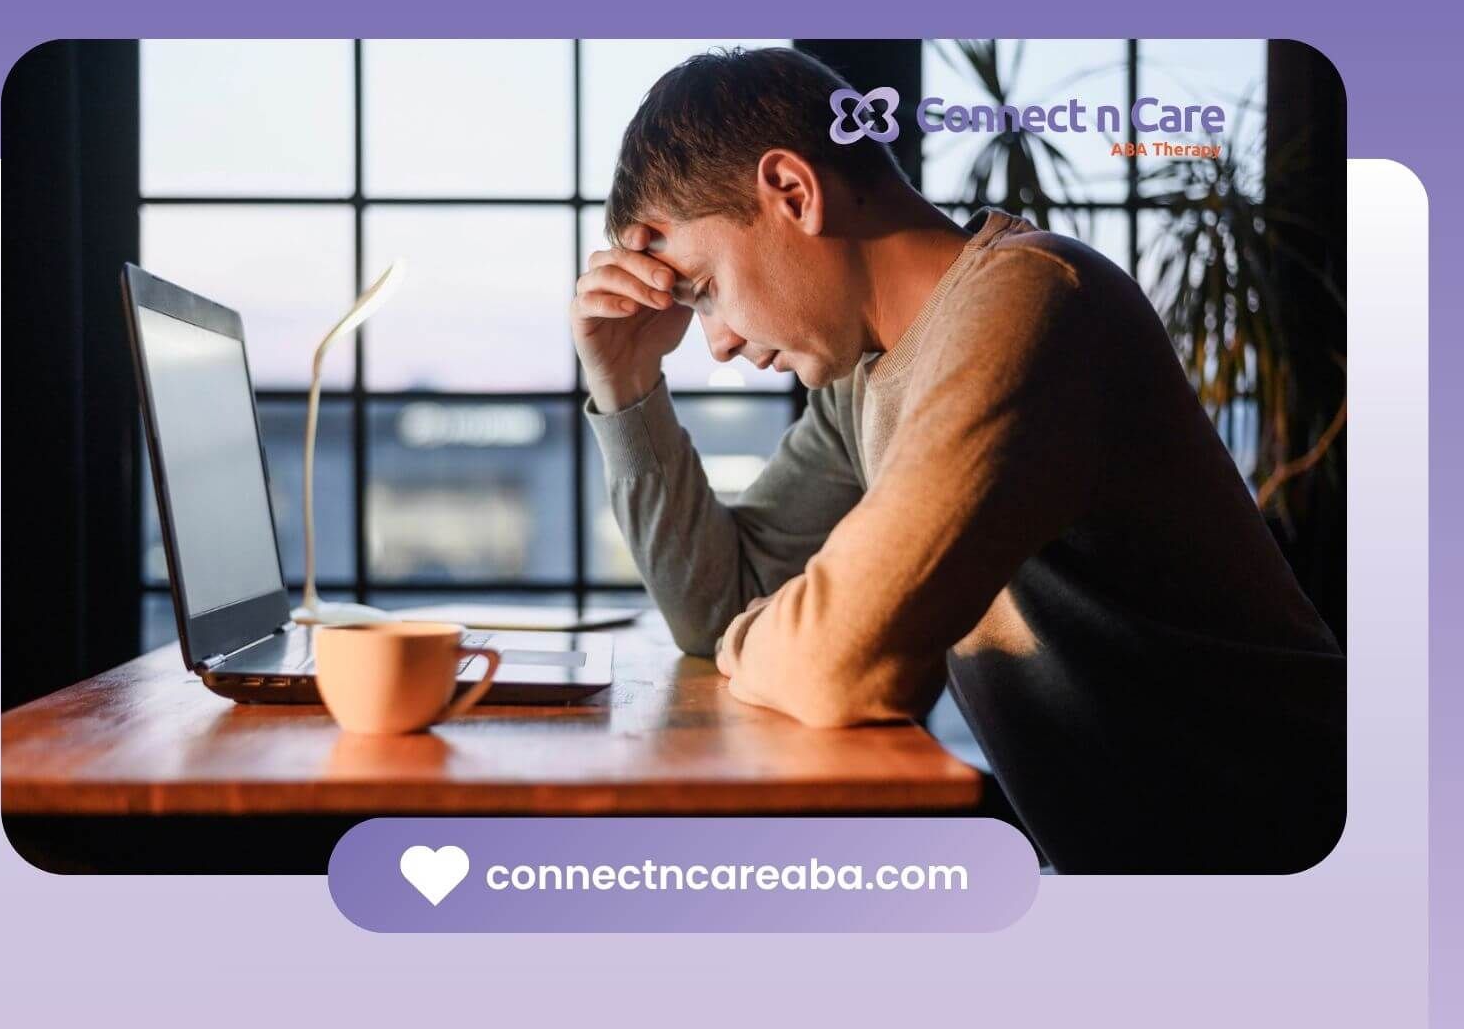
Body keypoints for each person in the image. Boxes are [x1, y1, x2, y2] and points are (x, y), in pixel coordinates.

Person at [570, 47, 1343, 873]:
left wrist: (767, 632)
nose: (718, 342)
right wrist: (626, 385)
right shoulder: (862, 380)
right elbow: (718, 604)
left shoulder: (1033, 303)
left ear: (793, 192)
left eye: (707, 289)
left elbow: (841, 664)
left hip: (1293, 862)